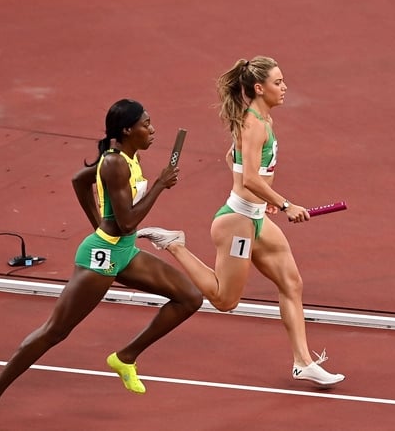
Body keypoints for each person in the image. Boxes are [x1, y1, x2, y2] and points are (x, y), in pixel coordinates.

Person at [0, 99, 203, 431]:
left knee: (189, 298)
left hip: (123, 251)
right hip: (103, 255)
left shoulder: (128, 159)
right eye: (146, 124)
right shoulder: (115, 165)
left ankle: (124, 357)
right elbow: (126, 223)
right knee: (55, 331)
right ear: (127, 130)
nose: (152, 130)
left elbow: (80, 180)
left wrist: (98, 220)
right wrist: (159, 186)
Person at [138, 56, 345, 386]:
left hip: (257, 218)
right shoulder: (254, 124)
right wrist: (285, 203)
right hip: (237, 222)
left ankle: (302, 362)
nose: (285, 87)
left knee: (292, 284)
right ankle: (175, 244)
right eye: (279, 82)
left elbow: (234, 161)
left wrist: (266, 200)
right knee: (225, 300)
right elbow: (249, 177)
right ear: (260, 88)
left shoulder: (262, 119)